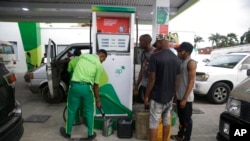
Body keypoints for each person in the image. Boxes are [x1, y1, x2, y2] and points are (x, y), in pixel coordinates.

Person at [60, 49, 107, 140]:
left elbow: (72, 62)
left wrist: (69, 57)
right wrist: (98, 100)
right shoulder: (99, 66)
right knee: (89, 111)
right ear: (102, 56)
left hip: (74, 87)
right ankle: (90, 134)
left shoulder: (84, 56)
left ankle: (68, 133)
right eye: (103, 60)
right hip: (86, 88)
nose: (102, 62)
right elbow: (96, 86)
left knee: (71, 111)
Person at [144, 34, 181, 141]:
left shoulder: (155, 57)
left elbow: (152, 79)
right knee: (166, 120)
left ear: (160, 42)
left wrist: (146, 96)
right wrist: (174, 94)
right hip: (169, 96)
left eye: (157, 43)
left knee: (154, 121)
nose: (156, 46)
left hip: (157, 96)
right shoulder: (176, 59)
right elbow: (177, 80)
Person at [171, 42, 196, 141]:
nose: (178, 53)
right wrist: (176, 95)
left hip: (187, 98)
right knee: (181, 119)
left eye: (180, 51)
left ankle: (186, 138)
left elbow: (191, 81)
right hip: (180, 96)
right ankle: (180, 136)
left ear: (187, 52)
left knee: (186, 120)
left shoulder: (191, 63)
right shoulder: (181, 62)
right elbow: (179, 81)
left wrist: (185, 99)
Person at [134, 34, 155, 103]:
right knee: (146, 104)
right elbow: (142, 70)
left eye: (140, 41)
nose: (139, 43)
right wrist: (137, 86)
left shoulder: (155, 53)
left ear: (146, 42)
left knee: (154, 106)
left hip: (154, 85)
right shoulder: (143, 54)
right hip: (144, 84)